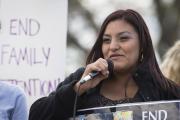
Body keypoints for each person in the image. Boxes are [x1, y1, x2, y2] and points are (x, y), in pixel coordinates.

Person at [29, 9, 180, 120]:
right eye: (106, 40)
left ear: (142, 45)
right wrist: (78, 89)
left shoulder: (162, 89)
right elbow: (36, 115)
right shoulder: (83, 79)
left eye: (123, 38)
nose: (112, 46)